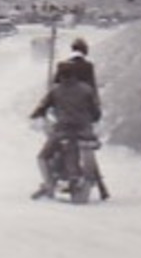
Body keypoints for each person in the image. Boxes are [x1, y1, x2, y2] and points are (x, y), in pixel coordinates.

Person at [30, 69, 105, 201]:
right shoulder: (87, 89)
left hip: (64, 130)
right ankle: (92, 183)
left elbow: (43, 107)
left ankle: (49, 185)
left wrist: (35, 114)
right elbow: (96, 113)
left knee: (43, 156)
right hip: (85, 132)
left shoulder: (56, 91)